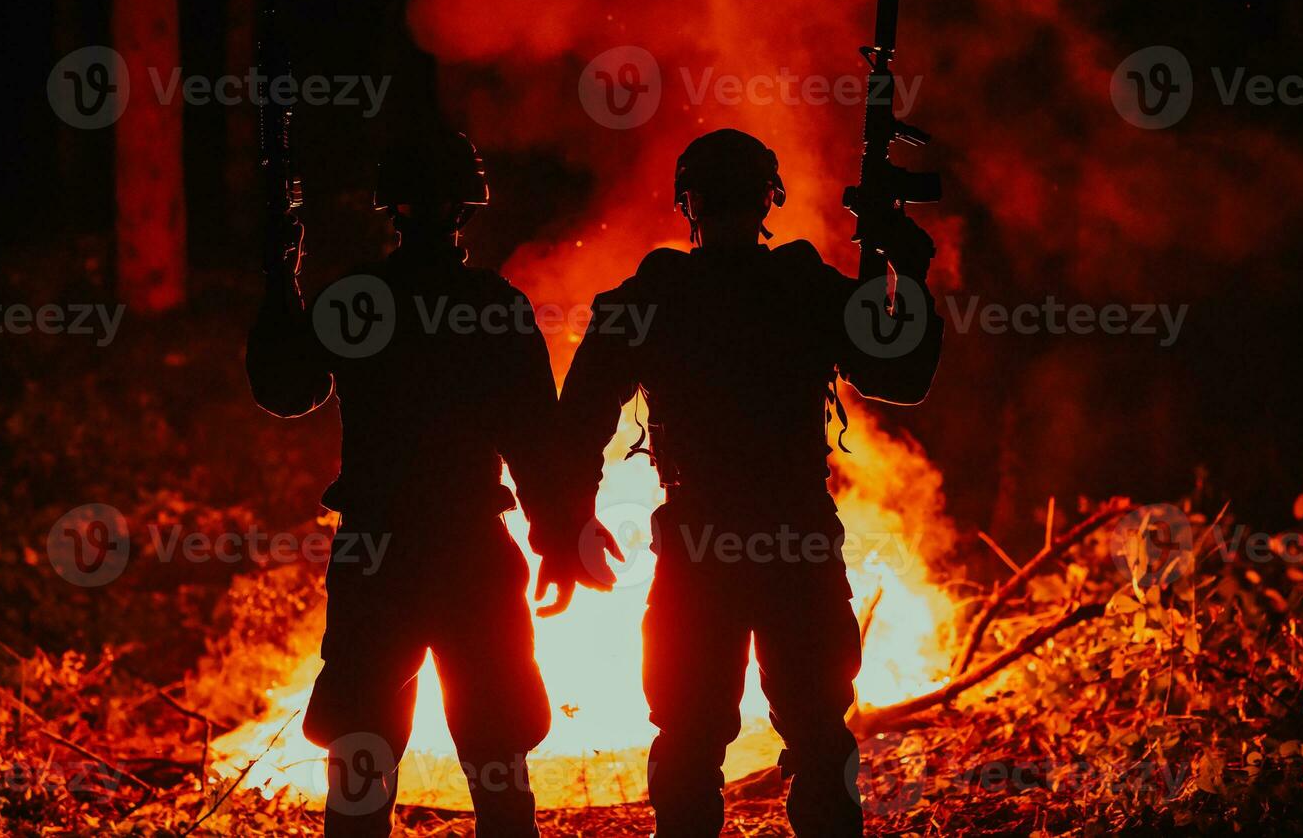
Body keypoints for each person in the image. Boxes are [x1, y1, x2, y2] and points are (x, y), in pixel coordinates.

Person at [556, 128, 942, 837]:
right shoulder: (804, 287)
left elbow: (577, 423)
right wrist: (905, 275)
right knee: (818, 736)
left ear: (687, 204)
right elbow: (901, 373)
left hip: (701, 542)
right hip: (795, 538)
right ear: (771, 199)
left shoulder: (652, 297)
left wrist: (566, 527)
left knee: (690, 737)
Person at [245, 132, 620, 838]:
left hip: (376, 555)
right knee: (497, 752)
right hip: (471, 553)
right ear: (468, 207)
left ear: (392, 208)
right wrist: (559, 542)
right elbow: (535, 443)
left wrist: (280, 285)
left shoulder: (356, 300)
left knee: (361, 750)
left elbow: (286, 390)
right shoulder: (493, 306)